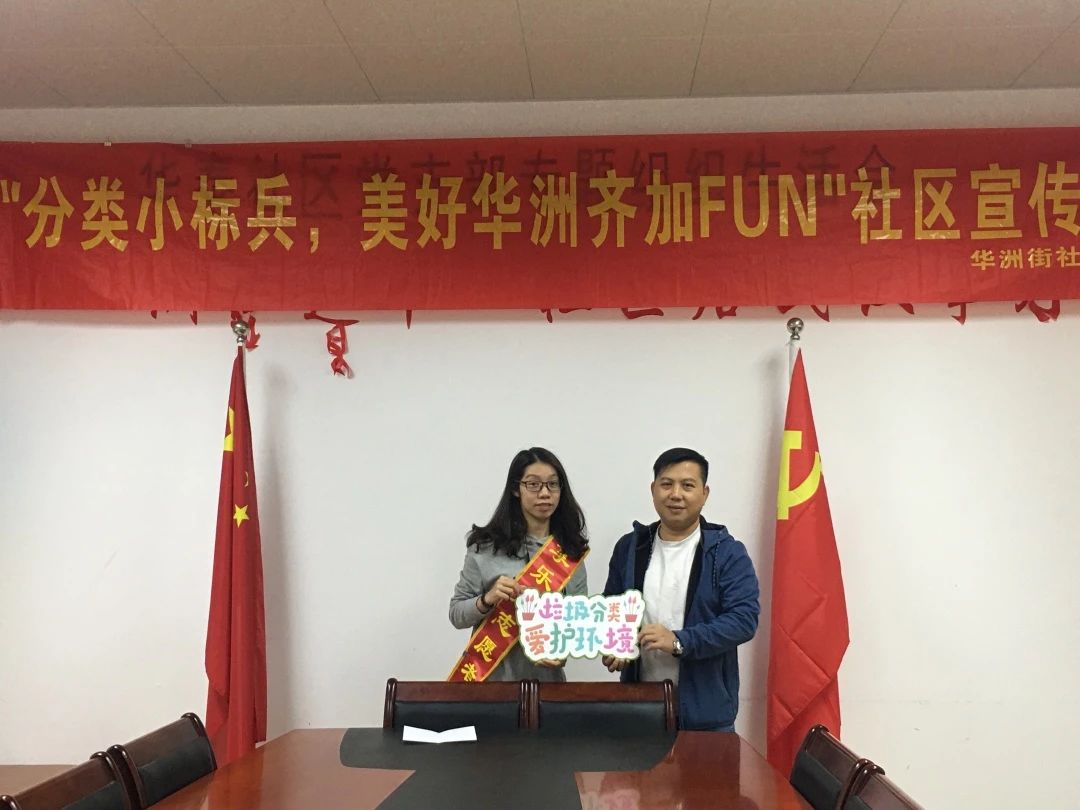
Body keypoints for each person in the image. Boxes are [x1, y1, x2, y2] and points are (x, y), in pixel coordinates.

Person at [602, 447, 759, 731]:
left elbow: (743, 621)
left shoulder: (727, 553)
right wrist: (615, 642)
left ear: (704, 493)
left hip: (706, 718)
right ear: (653, 490)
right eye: (666, 484)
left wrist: (679, 641)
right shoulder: (630, 548)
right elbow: (610, 608)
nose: (676, 494)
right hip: (639, 711)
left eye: (687, 485)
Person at [449, 447, 589, 681]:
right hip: (491, 687)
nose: (544, 493)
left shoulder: (570, 552)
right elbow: (456, 614)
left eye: (553, 484)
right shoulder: (485, 548)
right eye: (533, 484)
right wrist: (487, 600)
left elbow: (579, 622)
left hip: (548, 688)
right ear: (516, 489)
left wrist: (563, 649)